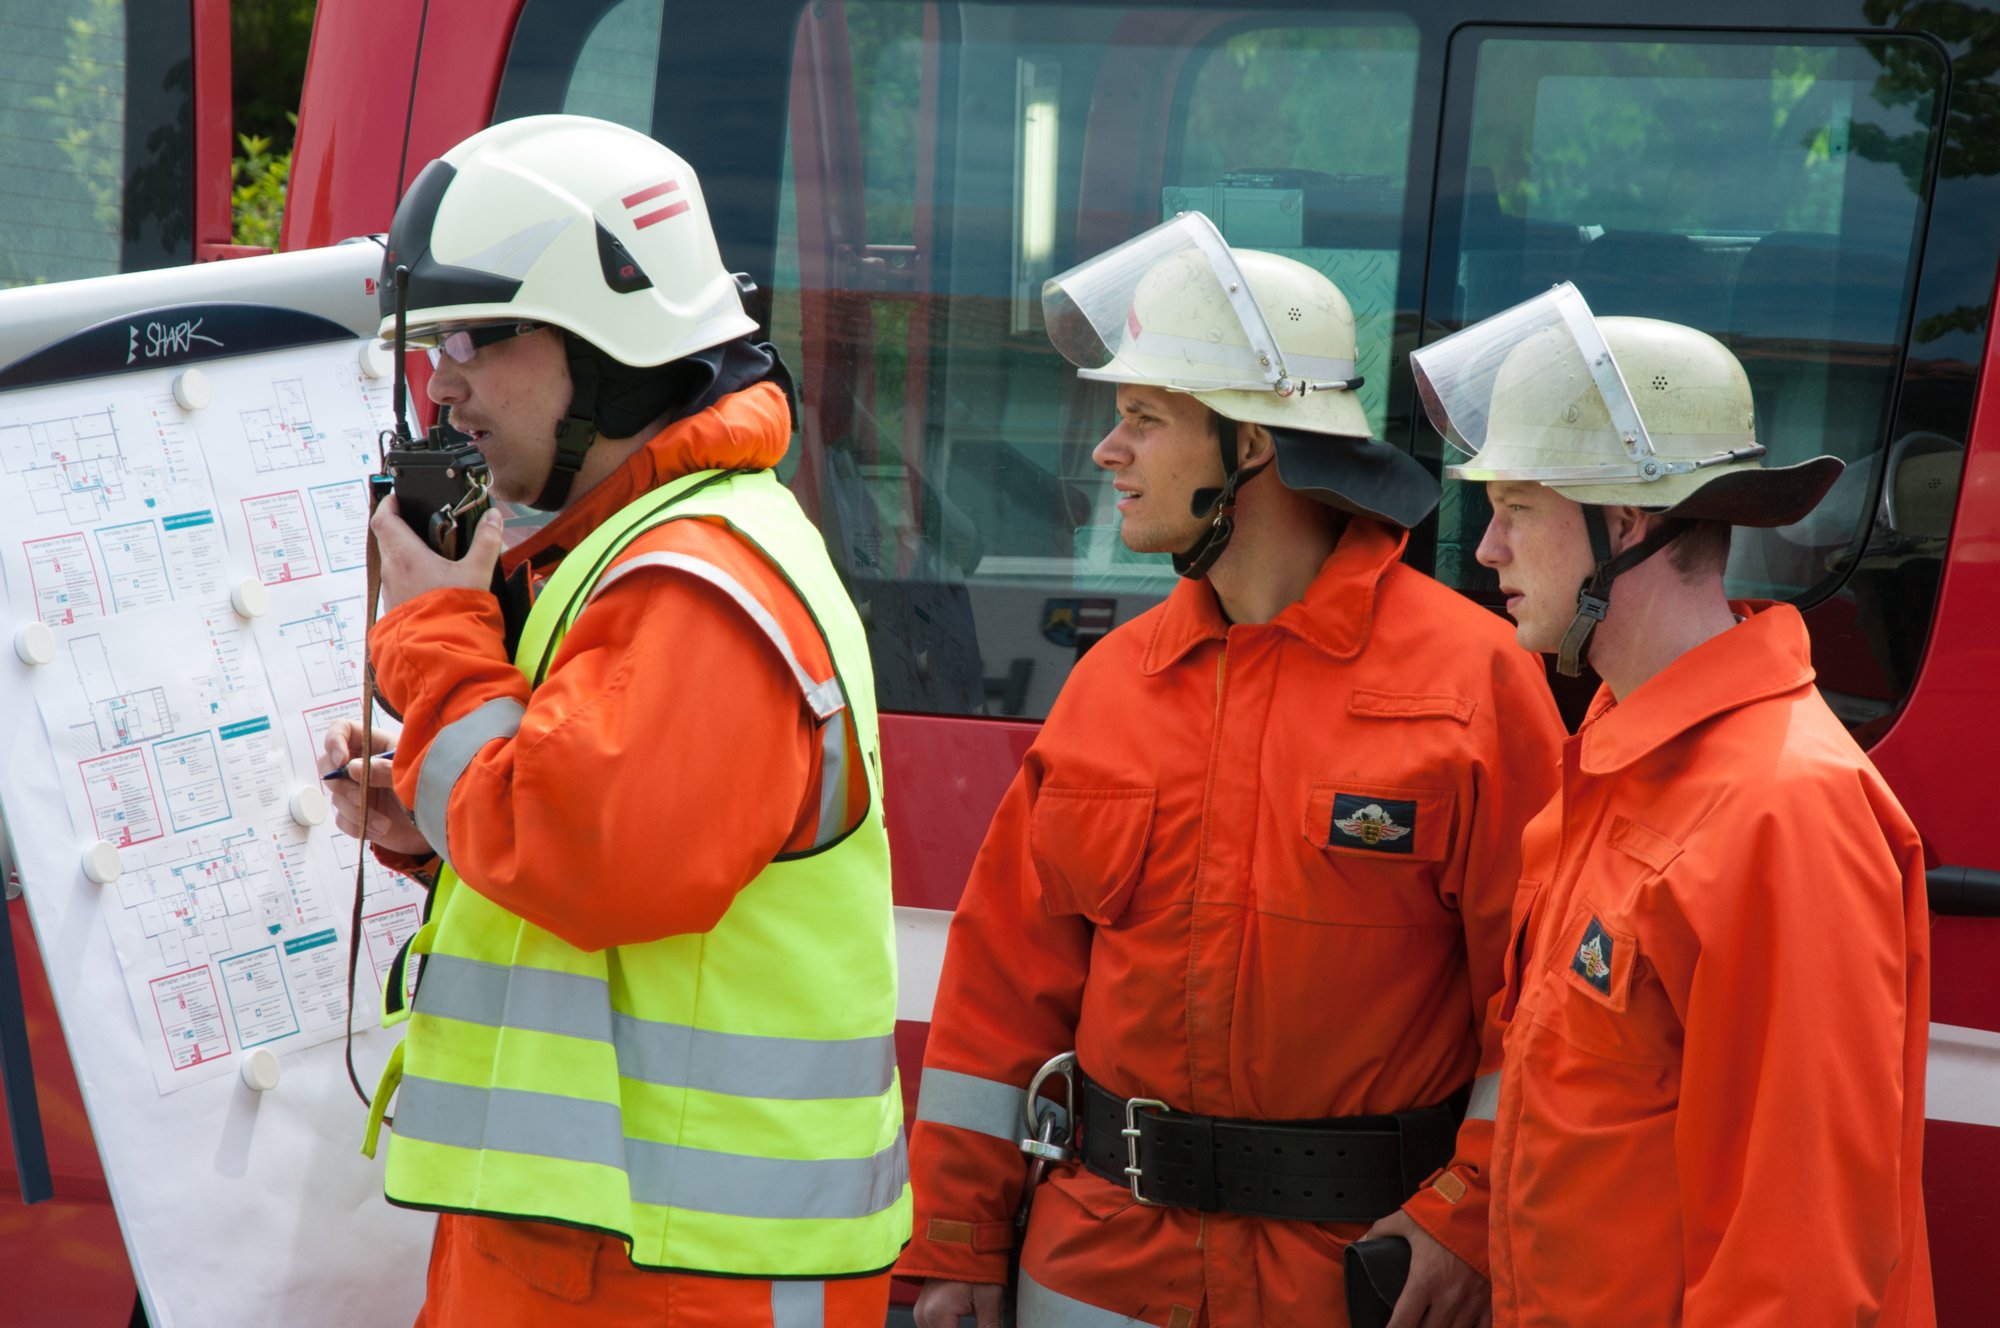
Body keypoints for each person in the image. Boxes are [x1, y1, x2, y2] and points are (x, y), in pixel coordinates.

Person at [900, 213, 1565, 1327]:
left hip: (1347, 1286)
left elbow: (1540, 1010)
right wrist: (957, 1246)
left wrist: (1465, 1214)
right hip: (1093, 1278)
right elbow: (998, 996)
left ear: (1251, 444)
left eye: (1143, 419)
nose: (1106, 452)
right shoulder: (1112, 686)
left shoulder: (1473, 684)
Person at [321, 114, 910, 1328]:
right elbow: (574, 830)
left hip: (675, 1275)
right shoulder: (622, 558)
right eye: (432, 349)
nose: (447, 385)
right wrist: (433, 813)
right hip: (593, 1255)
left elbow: (585, 857)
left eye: (478, 337)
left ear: (614, 341)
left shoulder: (698, 581)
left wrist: (435, 636)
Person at [1411, 284, 1934, 1327]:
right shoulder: (1611, 760)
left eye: (1514, 508)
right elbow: (1557, 1089)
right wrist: (1457, 1220)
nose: (1485, 550)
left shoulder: (1786, 810)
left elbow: (1797, 1257)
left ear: (1625, 521)